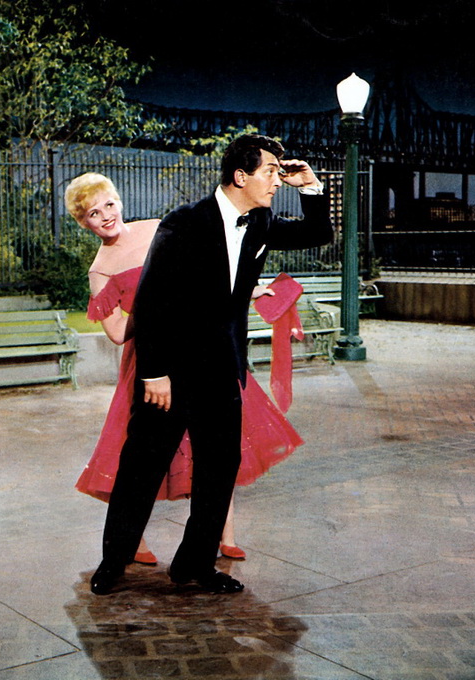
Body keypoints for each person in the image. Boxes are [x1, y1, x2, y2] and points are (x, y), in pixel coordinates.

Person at [89, 134, 333, 595]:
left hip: (222, 370)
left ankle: (195, 565)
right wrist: (153, 373)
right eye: (269, 172)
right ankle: (113, 563)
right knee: (142, 467)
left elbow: (318, 234)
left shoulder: (260, 220)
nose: (275, 181)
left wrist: (310, 187)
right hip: (170, 373)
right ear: (240, 176)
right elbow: (151, 301)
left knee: (219, 470)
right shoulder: (183, 223)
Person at [66, 170, 304, 567]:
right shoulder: (100, 269)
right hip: (151, 361)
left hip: (202, 347)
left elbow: (213, 270)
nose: (105, 216)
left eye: (108, 204)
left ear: (119, 201)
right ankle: (127, 548)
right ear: (83, 222)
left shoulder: (159, 227)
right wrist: (153, 299)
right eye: (93, 213)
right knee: (141, 458)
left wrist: (248, 288)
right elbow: (118, 333)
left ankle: (223, 537)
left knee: (218, 450)